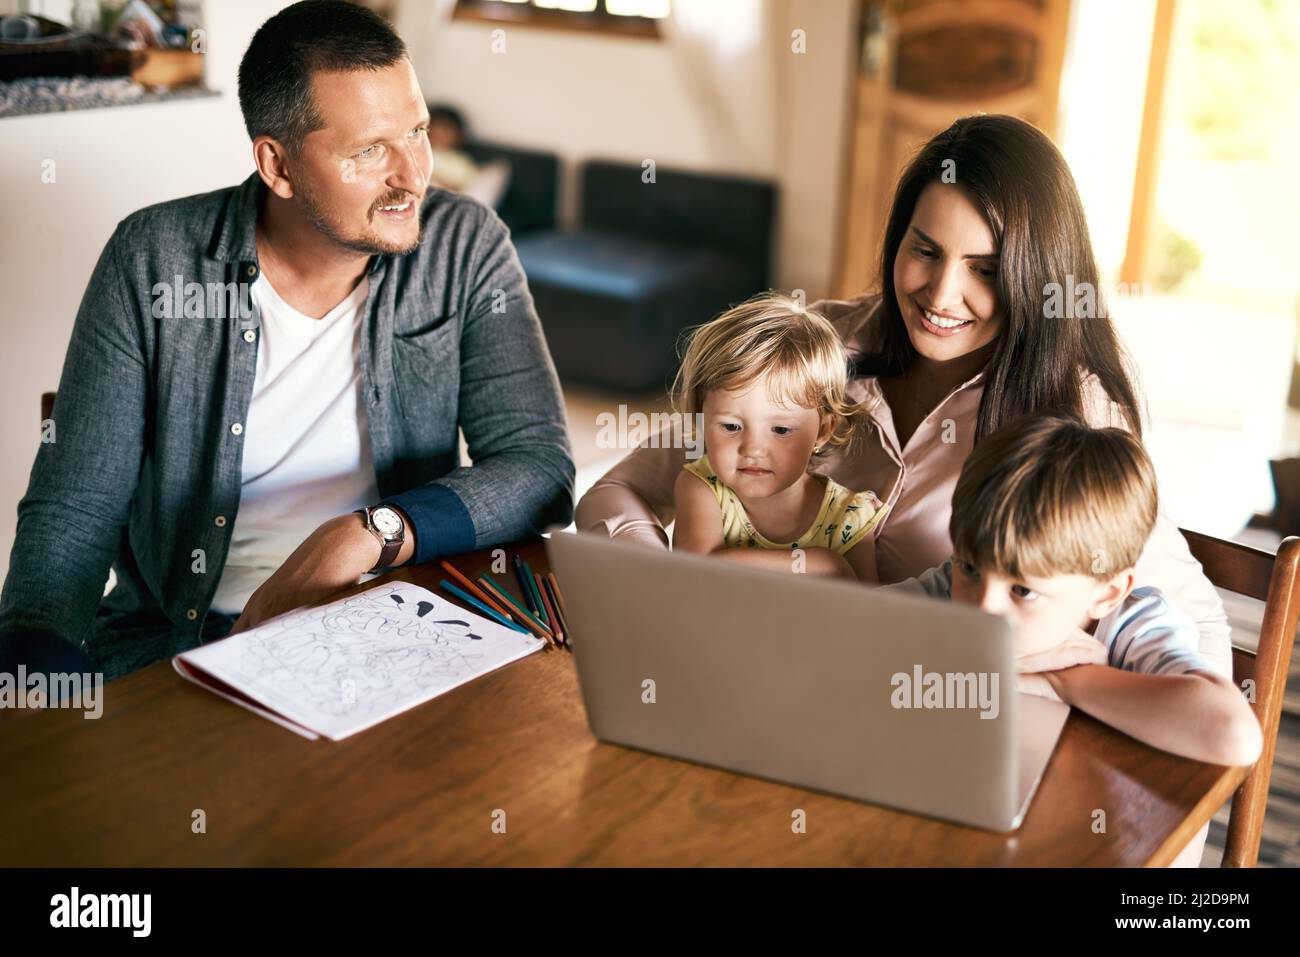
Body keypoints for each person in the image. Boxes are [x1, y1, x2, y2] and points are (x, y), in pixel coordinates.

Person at [575, 114, 1234, 865]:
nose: (942, 292)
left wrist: (1066, 675)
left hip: (1008, 738)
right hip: (829, 706)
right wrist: (660, 575)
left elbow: (1150, 631)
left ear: (1036, 277)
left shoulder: (1074, 415)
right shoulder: (816, 348)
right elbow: (619, 487)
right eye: (925, 250)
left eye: (985, 269)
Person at [0, 0, 573, 681]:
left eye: (416, 131)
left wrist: (368, 535)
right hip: (185, 643)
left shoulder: (464, 244)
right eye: (369, 150)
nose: (413, 174)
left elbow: (539, 468)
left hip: (397, 622)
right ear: (278, 165)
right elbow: (73, 513)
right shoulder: (153, 259)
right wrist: (35, 687)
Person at [890, 415, 1260, 767]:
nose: (983, 607)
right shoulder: (955, 584)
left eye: (1022, 590)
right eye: (970, 567)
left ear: (1106, 593)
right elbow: (847, 631)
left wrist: (1065, 679)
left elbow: (1234, 734)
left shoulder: (1134, 629)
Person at [670, 293, 886, 581]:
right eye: (731, 427)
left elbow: (868, 613)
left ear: (822, 431)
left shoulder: (849, 517)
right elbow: (699, 567)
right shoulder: (703, 487)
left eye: (781, 430)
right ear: (702, 418)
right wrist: (822, 563)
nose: (753, 449)